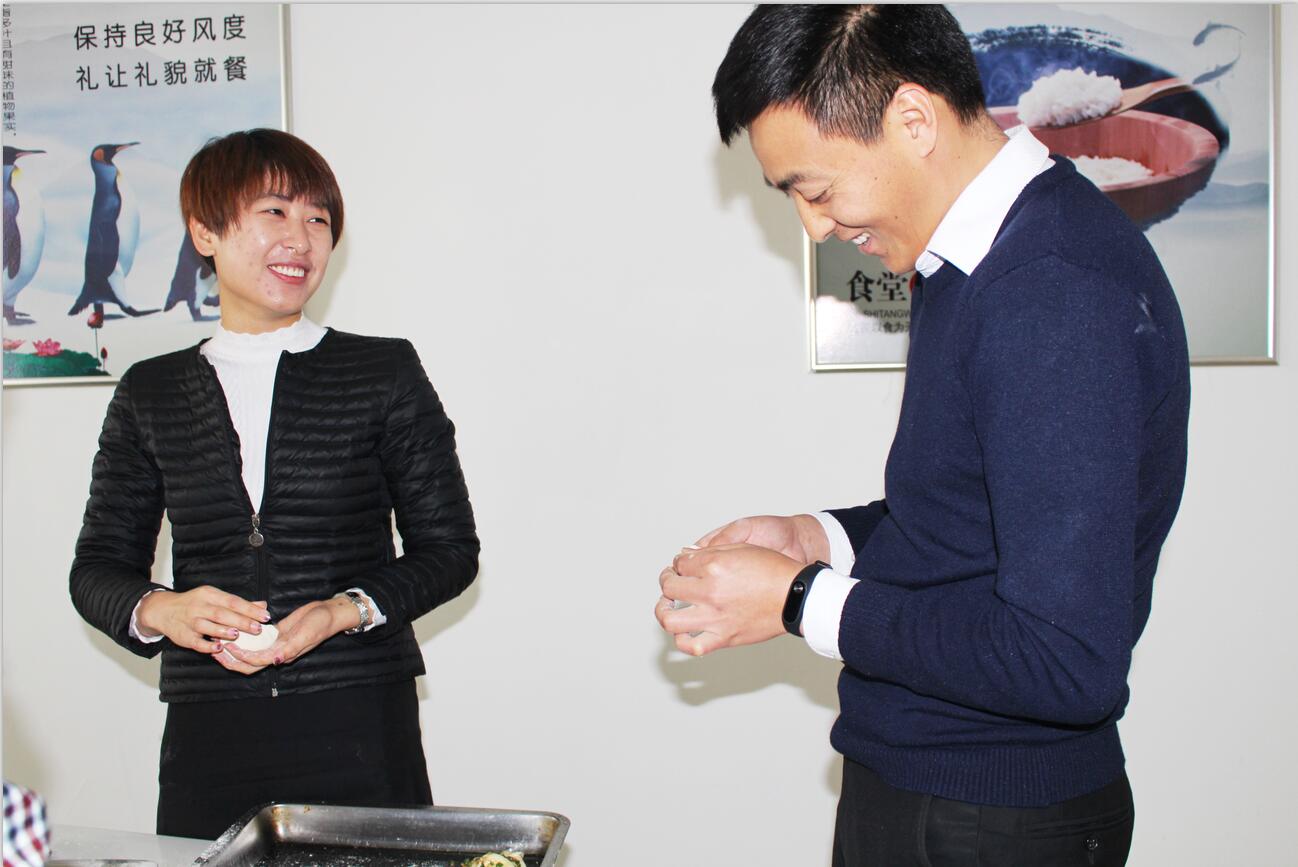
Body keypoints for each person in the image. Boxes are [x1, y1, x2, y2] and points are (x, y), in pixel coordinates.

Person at [655, 6, 1190, 865]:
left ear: (913, 119)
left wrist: (801, 599)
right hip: (944, 792)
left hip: (991, 814)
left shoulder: (1049, 288)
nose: (815, 228)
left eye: (815, 190)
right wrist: (818, 539)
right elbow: (970, 521)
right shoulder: (976, 263)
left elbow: (1066, 661)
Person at [69, 129, 479, 839]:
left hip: (360, 718)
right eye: (275, 211)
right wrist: (163, 610)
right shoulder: (150, 391)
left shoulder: (383, 371)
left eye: (318, 218)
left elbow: (449, 550)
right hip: (209, 730)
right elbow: (97, 568)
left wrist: (343, 610)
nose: (301, 238)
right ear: (205, 231)